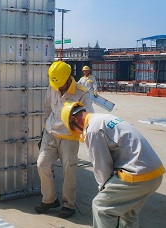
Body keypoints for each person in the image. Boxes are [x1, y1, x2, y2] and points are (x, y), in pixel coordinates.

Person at [60, 101, 165, 228]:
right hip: (154, 174)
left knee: (102, 207)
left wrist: (103, 190)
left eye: (73, 129)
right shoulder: (102, 118)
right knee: (127, 212)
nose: (77, 132)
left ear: (74, 119)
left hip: (138, 175)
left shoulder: (93, 130)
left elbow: (101, 167)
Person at [35, 61, 94, 219]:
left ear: (69, 78)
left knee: (69, 170)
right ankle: (49, 199)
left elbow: (88, 117)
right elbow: (47, 108)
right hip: (50, 134)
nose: (58, 88)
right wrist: (45, 128)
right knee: (42, 164)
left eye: (61, 85)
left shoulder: (82, 93)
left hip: (68, 137)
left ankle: (68, 204)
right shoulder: (53, 85)